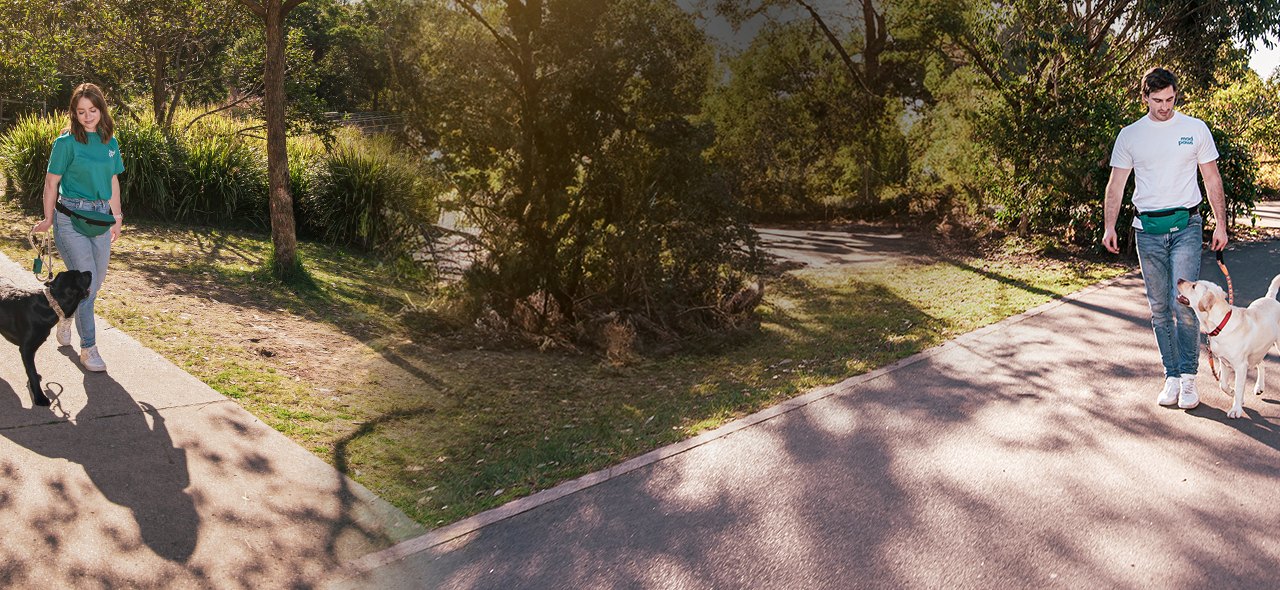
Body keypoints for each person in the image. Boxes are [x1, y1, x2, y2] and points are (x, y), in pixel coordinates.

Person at [1102, 67, 1229, 409]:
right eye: (1157, 100)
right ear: (1144, 97)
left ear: (1176, 94)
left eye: (1170, 99)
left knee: (1182, 304)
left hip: (1187, 225)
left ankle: (1189, 378)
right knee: (1159, 308)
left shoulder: (1194, 128)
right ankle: (1171, 376)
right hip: (1148, 232)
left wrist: (1221, 223)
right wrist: (1109, 226)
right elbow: (1116, 185)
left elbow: (1212, 178)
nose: (1164, 106)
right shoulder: (1130, 135)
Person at [32, 83, 124, 372]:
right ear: (73, 113)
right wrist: (47, 220)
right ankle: (89, 348)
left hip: (100, 217)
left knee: (94, 286)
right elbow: (51, 183)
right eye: (81, 111)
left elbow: (112, 182)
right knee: (87, 287)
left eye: (93, 110)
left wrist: (117, 216)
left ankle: (66, 315)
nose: (87, 116)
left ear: (101, 109)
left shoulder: (110, 142)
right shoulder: (66, 143)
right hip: (70, 218)